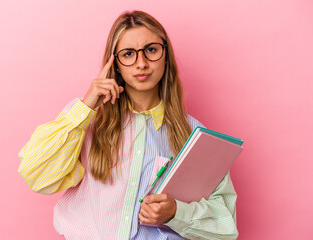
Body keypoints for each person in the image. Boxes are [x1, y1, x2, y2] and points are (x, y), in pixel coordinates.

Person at [18, 10, 238, 240]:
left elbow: (226, 228)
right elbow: (37, 176)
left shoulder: (194, 136)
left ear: (165, 55)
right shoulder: (86, 120)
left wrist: (176, 212)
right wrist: (87, 106)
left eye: (151, 50)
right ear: (115, 63)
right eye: (129, 54)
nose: (141, 63)